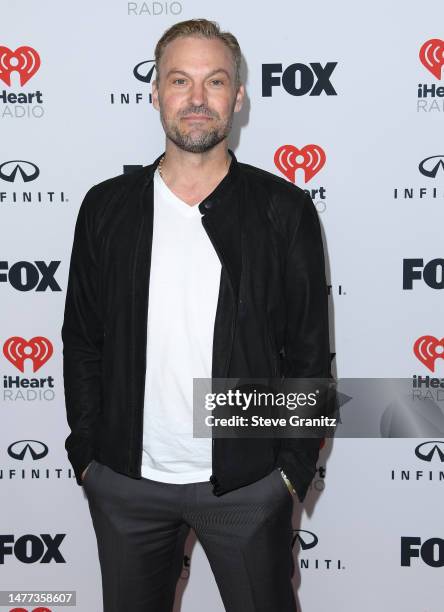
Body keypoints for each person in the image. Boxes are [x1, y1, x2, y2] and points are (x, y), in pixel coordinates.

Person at [61, 18, 332, 612]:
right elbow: (82, 338)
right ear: (155, 92)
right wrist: (88, 455)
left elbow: (310, 353)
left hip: (246, 484)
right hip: (127, 484)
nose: (197, 99)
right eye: (180, 81)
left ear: (237, 98)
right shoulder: (107, 207)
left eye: (215, 82)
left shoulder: (282, 210)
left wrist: (286, 474)